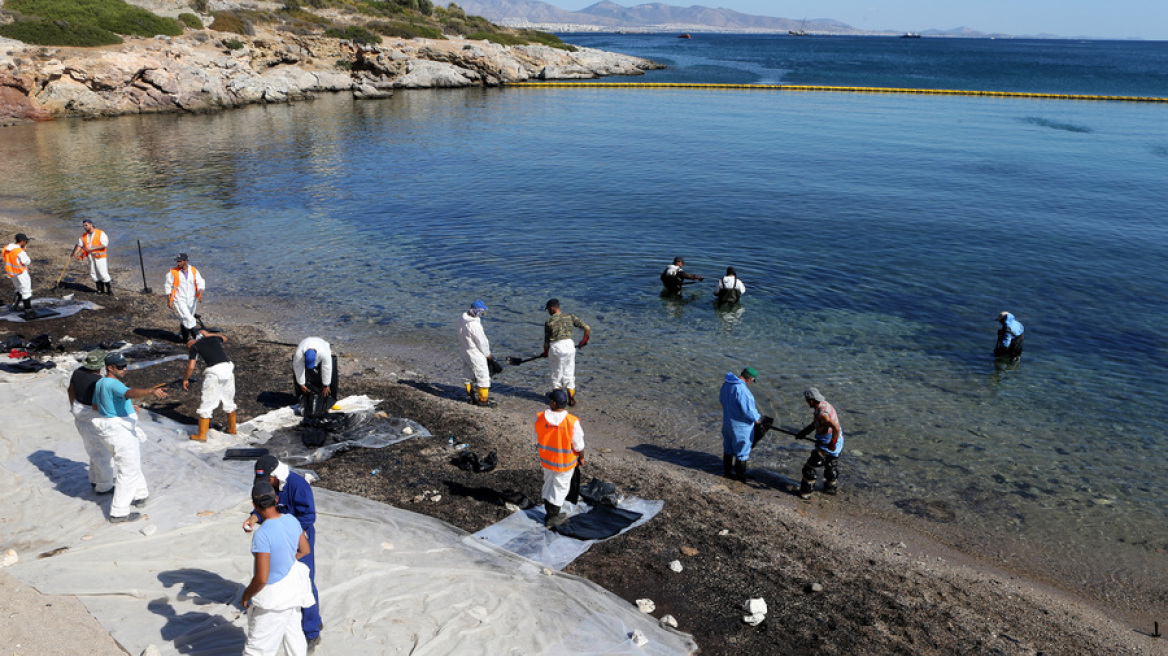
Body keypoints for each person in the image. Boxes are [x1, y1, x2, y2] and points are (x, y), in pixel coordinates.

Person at [247, 455, 322, 648]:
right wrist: (254, 518)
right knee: (283, 578)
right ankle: (292, 621)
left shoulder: (298, 486)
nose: (267, 485)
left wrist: (290, 538)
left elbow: (308, 516)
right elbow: (266, 504)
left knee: (304, 580)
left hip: (298, 536)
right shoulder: (271, 488)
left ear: (275, 475)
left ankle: (312, 630)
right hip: (282, 535)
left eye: (267, 481)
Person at [92, 352, 167, 523]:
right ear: (110, 368)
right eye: (120, 367)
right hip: (120, 433)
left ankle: (141, 495)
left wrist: (126, 405)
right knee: (128, 471)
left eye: (125, 365)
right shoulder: (113, 383)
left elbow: (97, 405)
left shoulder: (101, 383)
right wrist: (151, 391)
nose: (124, 369)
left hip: (109, 430)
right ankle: (119, 513)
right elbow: (130, 392)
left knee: (131, 464)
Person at [241, 481, 314, 656]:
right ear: (277, 499)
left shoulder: (262, 534)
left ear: (254, 505)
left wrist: (246, 594)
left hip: (275, 599)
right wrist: (287, 559)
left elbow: (261, 578)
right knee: (294, 638)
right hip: (294, 588)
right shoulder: (291, 520)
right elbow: (305, 550)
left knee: (258, 648)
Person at [535, 389, 585, 528]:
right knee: (560, 488)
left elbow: (538, 435)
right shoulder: (571, 421)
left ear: (552, 403)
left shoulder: (541, 418)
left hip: (546, 460)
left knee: (548, 484)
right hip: (564, 464)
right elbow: (579, 445)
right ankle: (553, 518)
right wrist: (581, 458)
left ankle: (549, 513)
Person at [67, 349, 113, 495]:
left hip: (79, 411)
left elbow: (70, 390)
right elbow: (98, 405)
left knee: (92, 448)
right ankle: (104, 486)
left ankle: (94, 478)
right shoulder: (99, 381)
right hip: (92, 415)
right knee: (102, 451)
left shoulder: (77, 372)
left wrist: (73, 407)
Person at [183, 328, 237, 441]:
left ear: (191, 343)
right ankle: (232, 428)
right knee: (228, 399)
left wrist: (185, 379)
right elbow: (224, 338)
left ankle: (202, 435)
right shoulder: (213, 338)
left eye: (188, 348)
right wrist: (208, 334)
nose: (189, 350)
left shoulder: (194, 347)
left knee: (207, 402)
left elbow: (191, 366)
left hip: (214, 373)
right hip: (228, 369)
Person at [795, 387, 844, 499]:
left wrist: (832, 443)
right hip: (837, 441)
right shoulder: (824, 404)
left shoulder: (822, 414)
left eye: (807, 400)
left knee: (809, 469)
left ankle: (805, 494)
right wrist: (804, 432)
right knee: (830, 467)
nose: (807, 402)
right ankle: (830, 490)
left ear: (811, 400)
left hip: (828, 444)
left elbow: (836, 428)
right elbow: (816, 423)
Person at [541, 299, 590, 407]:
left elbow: (546, 342)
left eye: (548, 309)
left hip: (556, 347)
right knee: (569, 374)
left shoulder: (549, 321)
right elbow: (587, 328)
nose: (548, 311)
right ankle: (571, 399)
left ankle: (558, 401)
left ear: (552, 308)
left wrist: (545, 352)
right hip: (569, 346)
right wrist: (584, 341)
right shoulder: (570, 316)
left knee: (556, 375)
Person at [719, 367, 763, 481]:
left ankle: (727, 472)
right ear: (750, 379)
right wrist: (758, 421)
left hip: (727, 422)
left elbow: (721, 399)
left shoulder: (727, 384)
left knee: (728, 448)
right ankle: (741, 476)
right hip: (741, 427)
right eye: (752, 381)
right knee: (742, 452)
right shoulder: (743, 391)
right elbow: (748, 411)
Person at [458, 300, 498, 406]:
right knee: (483, 376)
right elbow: (481, 342)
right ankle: (483, 401)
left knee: (468, 374)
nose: (482, 314)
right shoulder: (474, 325)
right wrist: (488, 355)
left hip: (464, 351)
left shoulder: (461, 320)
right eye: (481, 311)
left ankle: (470, 397)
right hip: (475, 353)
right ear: (475, 311)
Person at [292, 337, 337, 416]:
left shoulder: (324, 353)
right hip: (305, 343)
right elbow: (298, 369)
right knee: (300, 372)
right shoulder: (299, 355)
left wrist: (326, 384)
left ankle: (329, 400)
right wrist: (301, 384)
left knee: (327, 369)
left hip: (321, 345)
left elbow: (327, 368)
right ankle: (302, 399)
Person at [164, 253, 205, 343]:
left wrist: (200, 294)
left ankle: (184, 339)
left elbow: (200, 282)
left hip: (191, 298)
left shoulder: (193, 271)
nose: (178, 263)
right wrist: (169, 301)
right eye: (177, 261)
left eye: (180, 261)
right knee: (188, 317)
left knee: (185, 319)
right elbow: (168, 286)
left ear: (185, 261)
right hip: (179, 299)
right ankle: (196, 334)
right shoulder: (173, 272)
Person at [77, 219, 111, 295]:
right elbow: (80, 245)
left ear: (91, 224)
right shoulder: (84, 235)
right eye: (84, 225)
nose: (85, 227)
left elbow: (104, 244)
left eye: (86, 225)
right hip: (91, 257)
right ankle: (100, 290)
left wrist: (91, 248)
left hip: (100, 256)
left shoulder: (100, 233)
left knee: (103, 273)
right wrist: (76, 253)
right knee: (94, 273)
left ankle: (109, 291)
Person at [4, 233, 33, 313]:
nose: (26, 243)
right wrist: (23, 251)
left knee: (18, 288)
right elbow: (27, 262)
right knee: (26, 291)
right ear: (22, 241)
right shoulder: (19, 251)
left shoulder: (7, 248)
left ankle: (15, 304)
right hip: (20, 273)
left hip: (12, 272)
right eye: (26, 241)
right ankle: (28, 310)